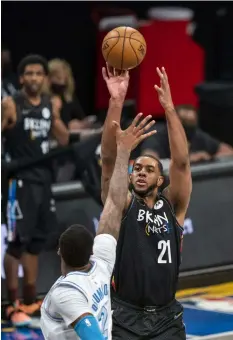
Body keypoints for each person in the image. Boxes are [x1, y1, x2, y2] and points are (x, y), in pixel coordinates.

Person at [40, 113, 156, 340]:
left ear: (59, 252)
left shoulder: (67, 292)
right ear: (91, 251)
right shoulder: (101, 263)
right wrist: (123, 153)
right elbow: (113, 203)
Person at [101, 65, 192, 339]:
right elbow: (107, 161)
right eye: (136, 168)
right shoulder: (124, 205)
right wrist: (116, 102)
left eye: (149, 169)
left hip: (167, 317)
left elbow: (182, 163)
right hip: (125, 315)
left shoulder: (173, 206)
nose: (140, 172)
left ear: (161, 181)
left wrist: (169, 109)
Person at [1, 54, 69, 326]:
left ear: (44, 78)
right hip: (19, 181)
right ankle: (11, 304)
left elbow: (63, 139)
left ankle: (30, 300)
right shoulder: (10, 104)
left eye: (38, 73)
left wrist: (54, 117)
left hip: (44, 180)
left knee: (36, 242)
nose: (33, 78)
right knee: (17, 243)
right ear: (21, 78)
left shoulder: (49, 104)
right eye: (28, 73)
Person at [140, 104, 233, 163]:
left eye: (191, 123)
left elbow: (228, 151)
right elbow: (147, 161)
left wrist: (209, 159)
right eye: (185, 123)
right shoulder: (157, 137)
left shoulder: (197, 135)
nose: (188, 129)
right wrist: (185, 162)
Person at [46, 58, 97, 131]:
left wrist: (81, 123)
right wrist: (67, 125)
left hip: (74, 134)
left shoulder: (69, 96)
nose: (62, 83)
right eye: (57, 78)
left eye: (64, 79)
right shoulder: (44, 98)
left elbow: (81, 117)